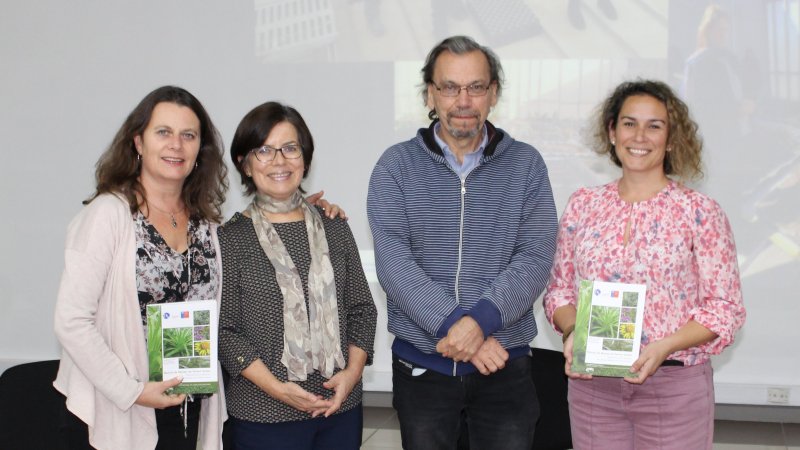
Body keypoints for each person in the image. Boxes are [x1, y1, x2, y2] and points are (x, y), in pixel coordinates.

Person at [367, 35, 558, 449]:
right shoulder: (395, 166)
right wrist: (462, 329)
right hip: (424, 367)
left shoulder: (526, 165)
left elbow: (535, 256)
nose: (463, 100)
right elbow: (394, 264)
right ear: (430, 95)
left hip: (504, 365)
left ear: (493, 94)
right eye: (450, 87)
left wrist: (481, 323)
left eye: (475, 87)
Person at [544, 79, 746, 449]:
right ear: (612, 131)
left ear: (671, 139)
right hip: (594, 388)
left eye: (655, 125)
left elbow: (724, 308)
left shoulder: (699, 212)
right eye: (629, 123)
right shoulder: (583, 205)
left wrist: (664, 346)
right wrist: (574, 331)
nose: (640, 135)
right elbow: (558, 290)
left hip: (673, 386)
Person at [53, 86, 228, 450]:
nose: (176, 145)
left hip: (185, 407)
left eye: (188, 135)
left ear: (200, 149)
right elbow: (71, 320)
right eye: (163, 132)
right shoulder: (108, 215)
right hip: (118, 406)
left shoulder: (207, 224)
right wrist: (132, 391)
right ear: (138, 142)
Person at [218, 101, 377, 450]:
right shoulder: (229, 239)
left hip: (339, 407)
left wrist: (350, 377)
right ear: (245, 164)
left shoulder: (334, 227)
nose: (279, 160)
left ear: (304, 159)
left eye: (290, 148)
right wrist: (280, 390)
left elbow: (363, 310)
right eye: (264, 150)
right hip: (262, 413)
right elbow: (225, 331)